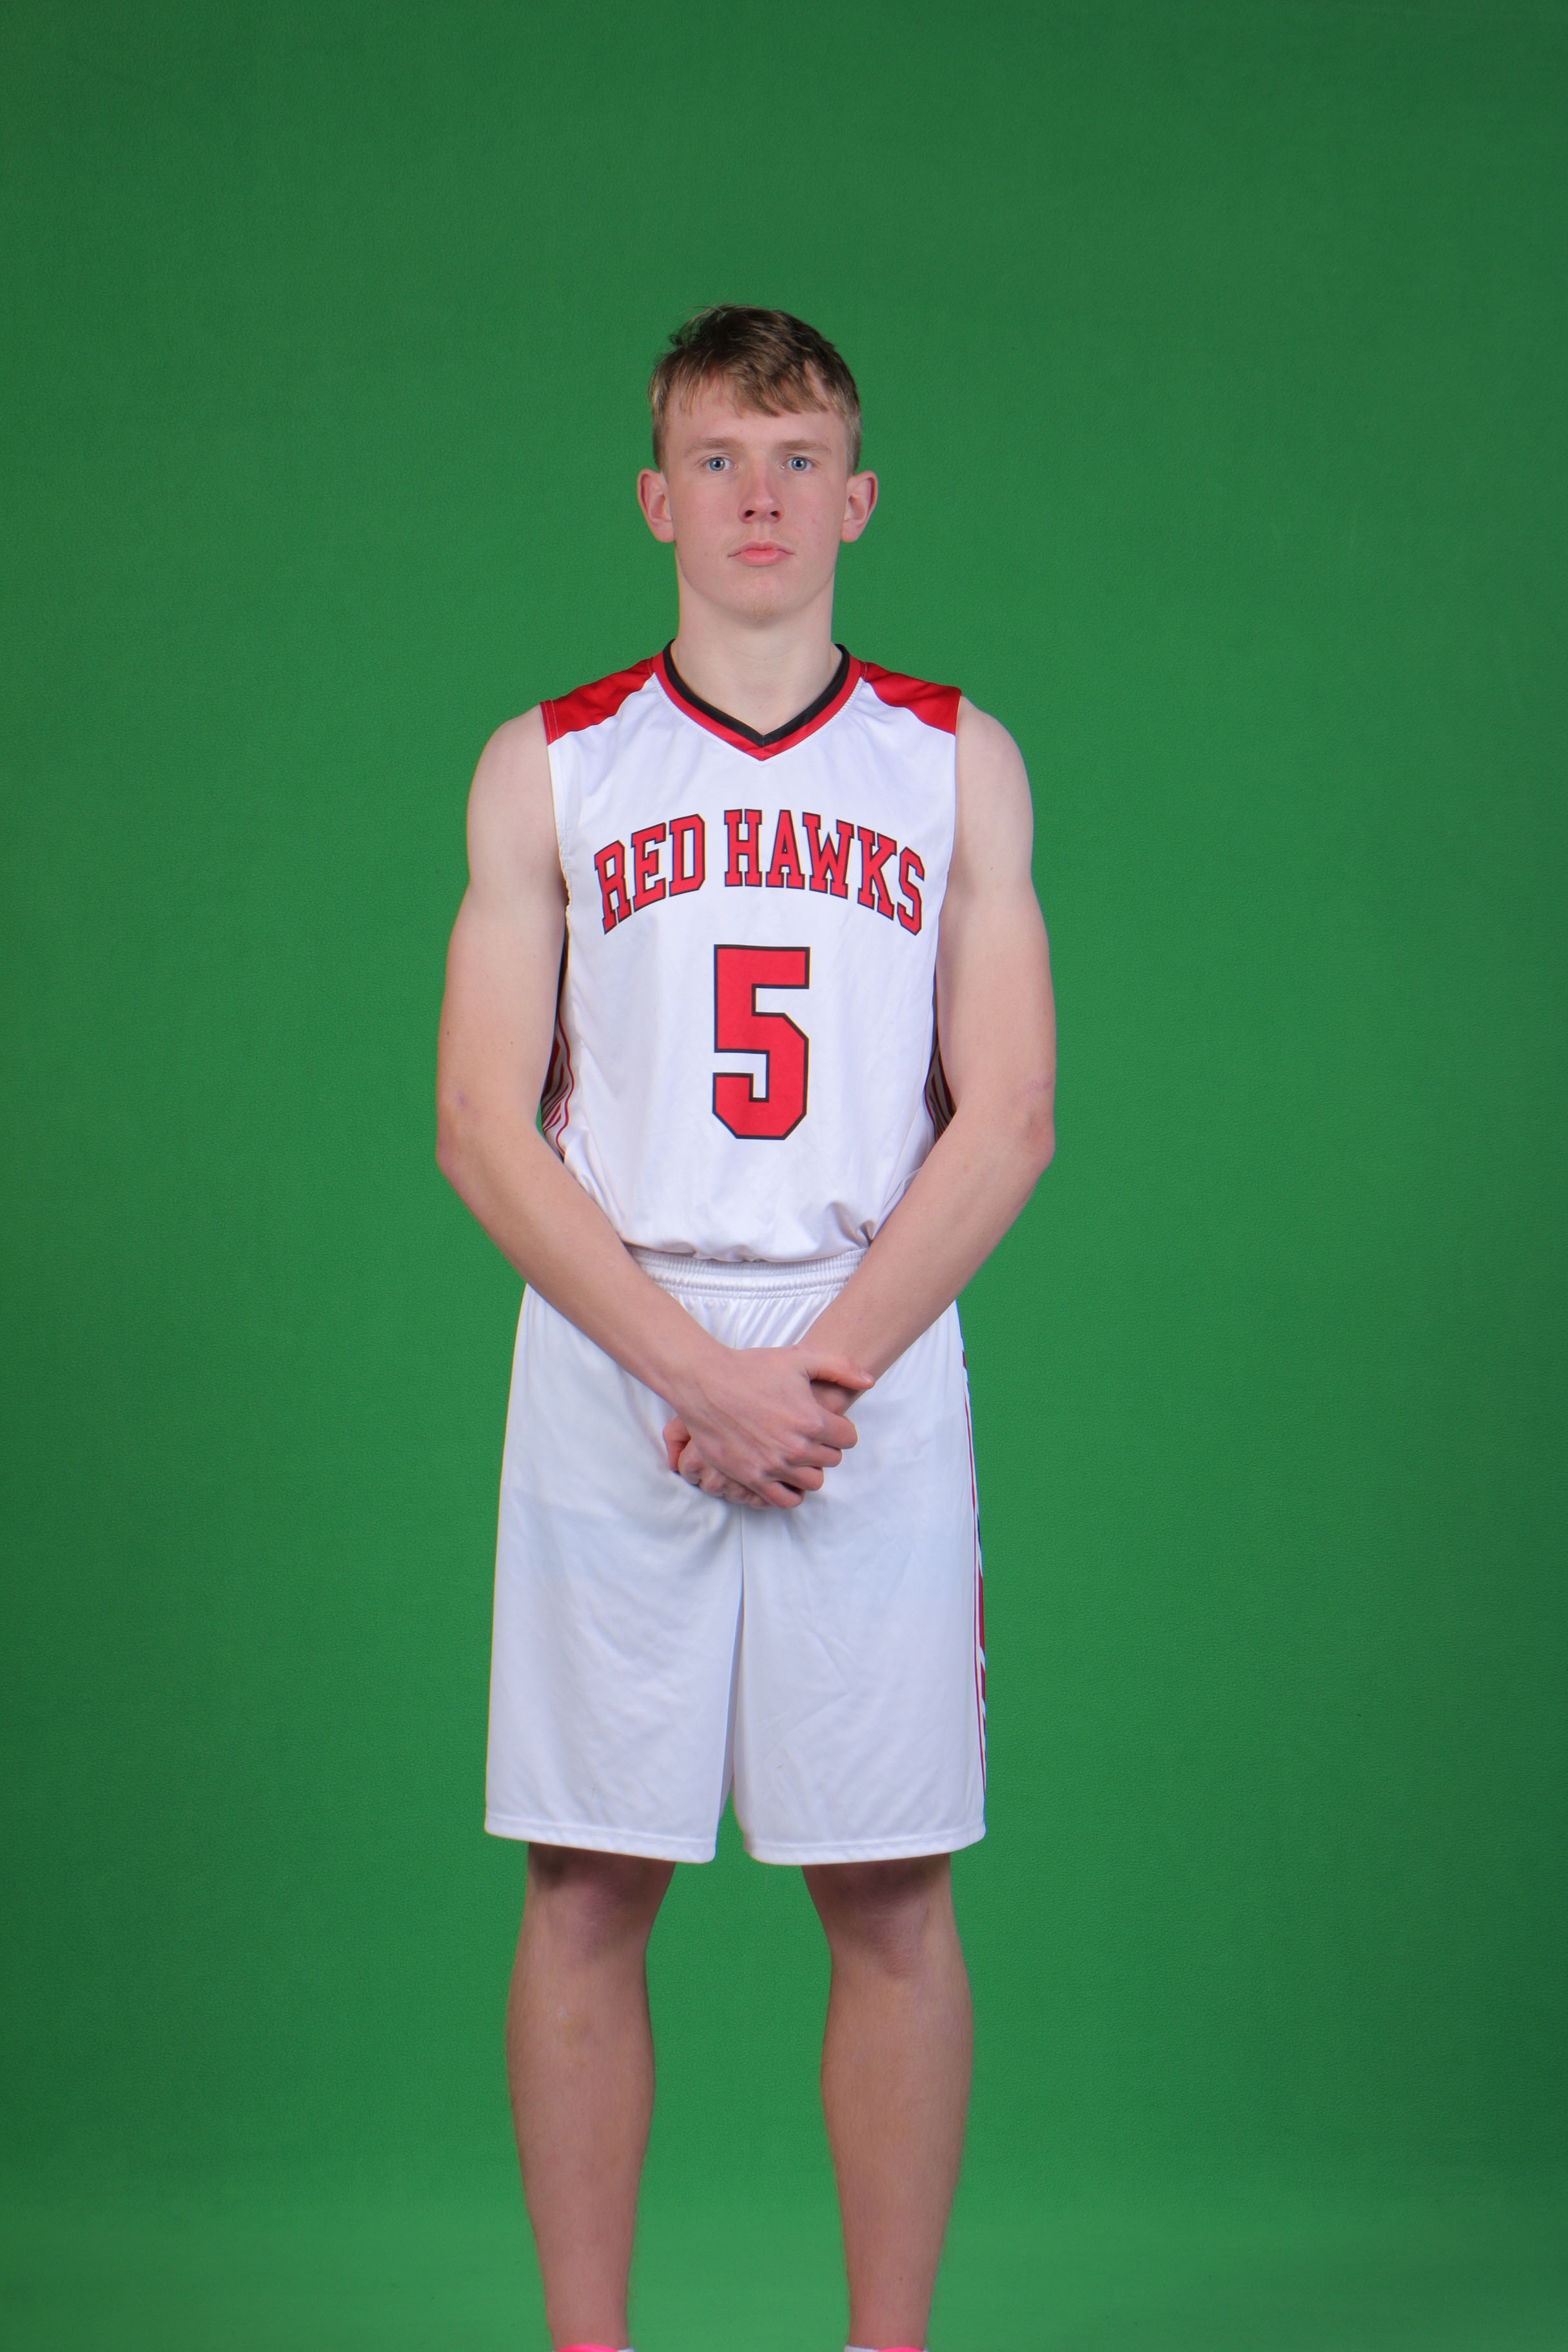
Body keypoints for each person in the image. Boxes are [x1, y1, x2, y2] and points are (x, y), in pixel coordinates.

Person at [436, 306, 1055, 2352]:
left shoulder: (955, 760)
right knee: (584, 1879)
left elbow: (1009, 1115)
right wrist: (696, 1373)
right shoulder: (550, 762)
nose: (759, 498)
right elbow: (481, 1121)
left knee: (889, 1886)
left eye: (797, 462)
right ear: (656, 499)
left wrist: (819, 1376)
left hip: (865, 1349)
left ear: (858, 501)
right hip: (621, 1345)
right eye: (718, 459)